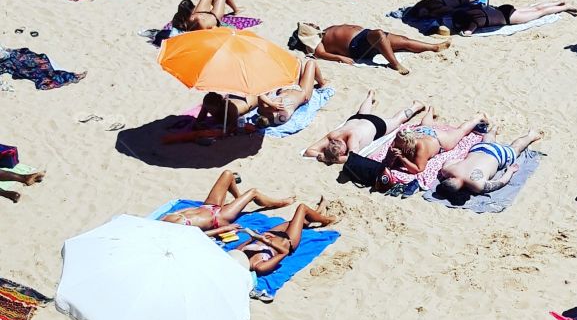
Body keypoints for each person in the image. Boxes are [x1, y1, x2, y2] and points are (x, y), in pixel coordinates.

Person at [197, 58, 325, 131]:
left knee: (299, 62)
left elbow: (260, 96)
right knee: (309, 63)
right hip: (300, 93)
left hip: (287, 90)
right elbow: (261, 96)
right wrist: (271, 103)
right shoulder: (280, 113)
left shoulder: (262, 108)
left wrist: (271, 103)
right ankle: (323, 84)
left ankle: (322, 83)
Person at [290, 19, 450, 75]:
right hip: (355, 46)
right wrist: (340, 58)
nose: (313, 23)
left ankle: (433, 47)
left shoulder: (325, 31)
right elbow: (322, 54)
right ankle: (395, 64)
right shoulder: (316, 42)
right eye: (309, 25)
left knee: (403, 40)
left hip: (364, 36)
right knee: (379, 34)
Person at [220, 201, 337, 277]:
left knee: (298, 221)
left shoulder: (238, 254)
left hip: (269, 235)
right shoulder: (259, 267)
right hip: (287, 241)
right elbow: (284, 252)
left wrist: (253, 236)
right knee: (302, 208)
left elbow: (249, 241)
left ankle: (317, 214)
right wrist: (266, 241)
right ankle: (325, 220)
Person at [304, 93, 426, 164]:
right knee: (363, 112)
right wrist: (325, 155)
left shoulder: (352, 138)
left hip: (376, 125)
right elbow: (309, 151)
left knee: (397, 120)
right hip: (357, 119)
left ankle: (416, 106)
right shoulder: (333, 135)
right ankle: (370, 96)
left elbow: (352, 158)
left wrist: (327, 159)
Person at [161, 170, 293, 230]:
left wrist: (199, 208)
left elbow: (187, 210)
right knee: (253, 192)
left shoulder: (163, 219)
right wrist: (225, 229)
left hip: (207, 207)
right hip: (219, 218)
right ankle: (279, 203)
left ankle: (239, 200)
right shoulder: (178, 229)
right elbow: (203, 235)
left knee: (228, 174)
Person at [384, 106, 489, 174]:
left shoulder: (421, 147)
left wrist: (402, 158)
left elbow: (418, 169)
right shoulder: (399, 140)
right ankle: (430, 110)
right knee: (425, 125)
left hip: (439, 140)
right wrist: (391, 156)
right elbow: (388, 161)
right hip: (422, 132)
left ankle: (478, 118)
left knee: (461, 131)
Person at [437, 130, 541, 196]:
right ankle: (494, 129)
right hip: (478, 149)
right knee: (488, 140)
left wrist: (510, 171)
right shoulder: (446, 171)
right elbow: (450, 161)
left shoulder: (477, 186)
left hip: (497, 155)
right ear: (449, 179)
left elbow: (501, 182)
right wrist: (464, 161)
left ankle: (531, 136)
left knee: (516, 148)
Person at [449, 0, 577, 35]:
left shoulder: (474, 22)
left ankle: (564, 7)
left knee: (539, 13)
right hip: (504, 9)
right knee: (535, 8)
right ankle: (557, 2)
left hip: (509, 18)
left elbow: (467, 33)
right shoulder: (473, 10)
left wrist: (459, 31)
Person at [172, 0, 239, 31]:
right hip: (214, 16)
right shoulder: (199, 22)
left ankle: (216, 6)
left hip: (200, 14)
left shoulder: (177, 18)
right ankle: (236, 10)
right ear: (192, 9)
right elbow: (208, 33)